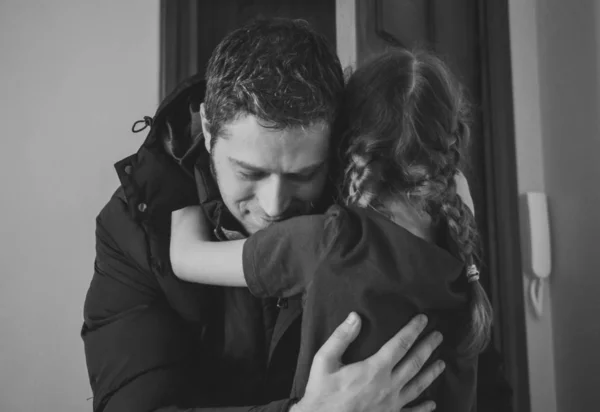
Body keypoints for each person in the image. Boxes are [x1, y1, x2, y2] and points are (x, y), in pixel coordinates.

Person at [82, 18, 446, 412]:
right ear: (207, 126)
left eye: (304, 175)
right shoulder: (133, 230)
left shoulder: (377, 217)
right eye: (249, 173)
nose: (274, 206)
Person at [169, 48, 492, 412]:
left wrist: (178, 174)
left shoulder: (328, 241)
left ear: (343, 146)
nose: (274, 205)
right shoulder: (458, 244)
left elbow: (184, 257)